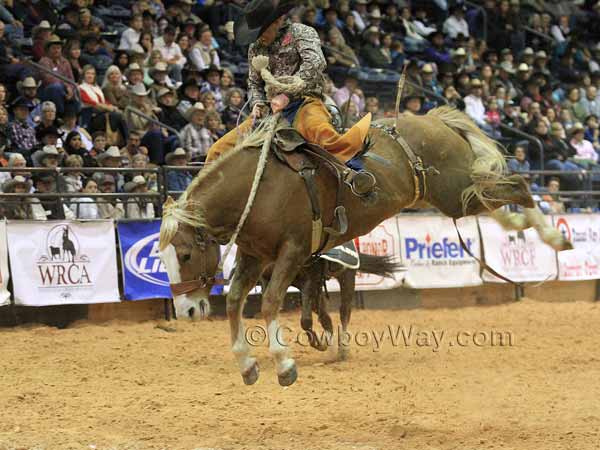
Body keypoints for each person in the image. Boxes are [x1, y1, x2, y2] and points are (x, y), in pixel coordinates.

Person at [207, 0, 374, 194]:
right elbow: (254, 82)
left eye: (261, 30)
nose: (258, 37)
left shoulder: (301, 33)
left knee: (320, 132)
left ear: (277, 21)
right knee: (218, 150)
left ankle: (358, 174)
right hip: (270, 110)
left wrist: (287, 94)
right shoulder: (256, 47)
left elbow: (315, 63)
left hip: (304, 101)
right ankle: (208, 198)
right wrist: (258, 103)